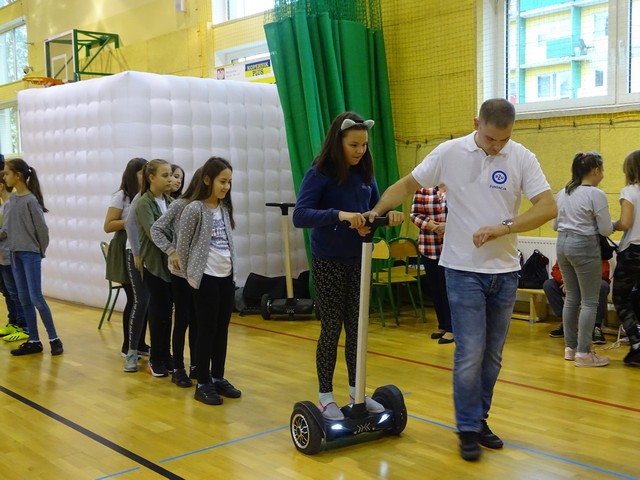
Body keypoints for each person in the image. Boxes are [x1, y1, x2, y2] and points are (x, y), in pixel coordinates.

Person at [367, 99, 557, 460]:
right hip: (462, 270)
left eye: (503, 140)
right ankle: (467, 427)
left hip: (505, 273)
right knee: (470, 353)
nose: (496, 146)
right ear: (476, 124)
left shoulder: (522, 157)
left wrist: (504, 227)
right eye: (490, 138)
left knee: (493, 357)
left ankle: (479, 419)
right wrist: (374, 212)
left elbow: (547, 207)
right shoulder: (449, 153)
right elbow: (406, 185)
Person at [292, 112, 403, 421]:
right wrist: (339, 215)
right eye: (353, 145)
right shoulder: (320, 172)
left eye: (364, 145)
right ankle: (326, 397)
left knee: (357, 329)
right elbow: (300, 215)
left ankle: (357, 392)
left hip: (359, 259)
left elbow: (374, 211)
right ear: (338, 141)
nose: (360, 151)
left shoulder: (365, 173)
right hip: (328, 260)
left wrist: (386, 218)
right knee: (332, 328)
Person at [176, 157, 241, 405]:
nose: (226, 187)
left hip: (226, 276)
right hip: (205, 278)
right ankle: (202, 382)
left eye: (229, 182)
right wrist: (191, 276)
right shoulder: (194, 209)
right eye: (222, 181)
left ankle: (217, 377)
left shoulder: (224, 208)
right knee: (206, 329)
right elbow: (182, 247)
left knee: (222, 329)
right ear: (207, 180)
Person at [553, 152, 613, 368]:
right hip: (584, 246)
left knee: (571, 298)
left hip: (562, 245)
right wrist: (616, 224)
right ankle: (584, 353)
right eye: (602, 170)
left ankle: (570, 348)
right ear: (596, 170)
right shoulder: (596, 194)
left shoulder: (563, 193)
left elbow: (554, 225)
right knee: (589, 301)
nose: (603, 174)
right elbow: (605, 229)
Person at [2, 159, 64, 356]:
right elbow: (8, 229)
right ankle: (34, 341)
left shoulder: (30, 200)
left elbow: (42, 231)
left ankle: (54, 339)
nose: (4, 177)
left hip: (30, 254)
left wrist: (39, 251)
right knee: (23, 297)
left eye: (7, 173)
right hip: (14, 254)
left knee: (36, 297)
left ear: (18, 176)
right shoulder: (12, 200)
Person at [150, 168, 203, 387]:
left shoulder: (207, 206)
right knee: (182, 319)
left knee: (197, 320)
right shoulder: (180, 204)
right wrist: (171, 251)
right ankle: (178, 367)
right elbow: (156, 229)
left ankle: (196, 365)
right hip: (181, 273)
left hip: (201, 272)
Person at [103, 157, 149, 360]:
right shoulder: (121, 196)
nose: (145, 176)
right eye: (141, 172)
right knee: (135, 298)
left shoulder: (146, 196)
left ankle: (140, 344)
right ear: (132, 175)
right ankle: (127, 346)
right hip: (124, 247)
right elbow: (108, 225)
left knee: (144, 299)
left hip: (141, 247)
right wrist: (130, 221)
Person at [134, 159, 174, 377]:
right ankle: (156, 358)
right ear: (151, 178)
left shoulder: (170, 201)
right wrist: (174, 240)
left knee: (167, 313)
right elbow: (153, 232)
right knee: (158, 313)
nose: (170, 179)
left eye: (171, 175)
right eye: (165, 175)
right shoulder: (143, 203)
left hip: (171, 266)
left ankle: (166, 354)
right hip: (154, 265)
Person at [410, 184, 453, 344]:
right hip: (429, 248)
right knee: (435, 289)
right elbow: (415, 214)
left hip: (452, 250)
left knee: (448, 289)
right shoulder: (423, 189)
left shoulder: (457, 186)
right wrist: (432, 226)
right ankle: (443, 325)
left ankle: (452, 329)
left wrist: (447, 227)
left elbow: (466, 216)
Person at [611, 149, 640, 365]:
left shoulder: (630, 191)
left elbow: (626, 222)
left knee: (621, 297)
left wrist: (612, 225)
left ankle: (636, 343)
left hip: (633, 252)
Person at [544, 260, 609, 344]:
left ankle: (596, 326)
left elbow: (603, 273)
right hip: (569, 284)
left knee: (602, 286)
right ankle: (566, 322)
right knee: (549, 284)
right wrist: (566, 281)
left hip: (589, 284)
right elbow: (556, 269)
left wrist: (577, 282)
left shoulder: (598, 252)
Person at [0, 171, 27, 342]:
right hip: (2, 257)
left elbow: (6, 231)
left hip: (9, 256)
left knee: (15, 292)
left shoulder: (10, 204)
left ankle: (23, 326)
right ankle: (13, 322)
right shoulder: (4, 205)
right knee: (7, 292)